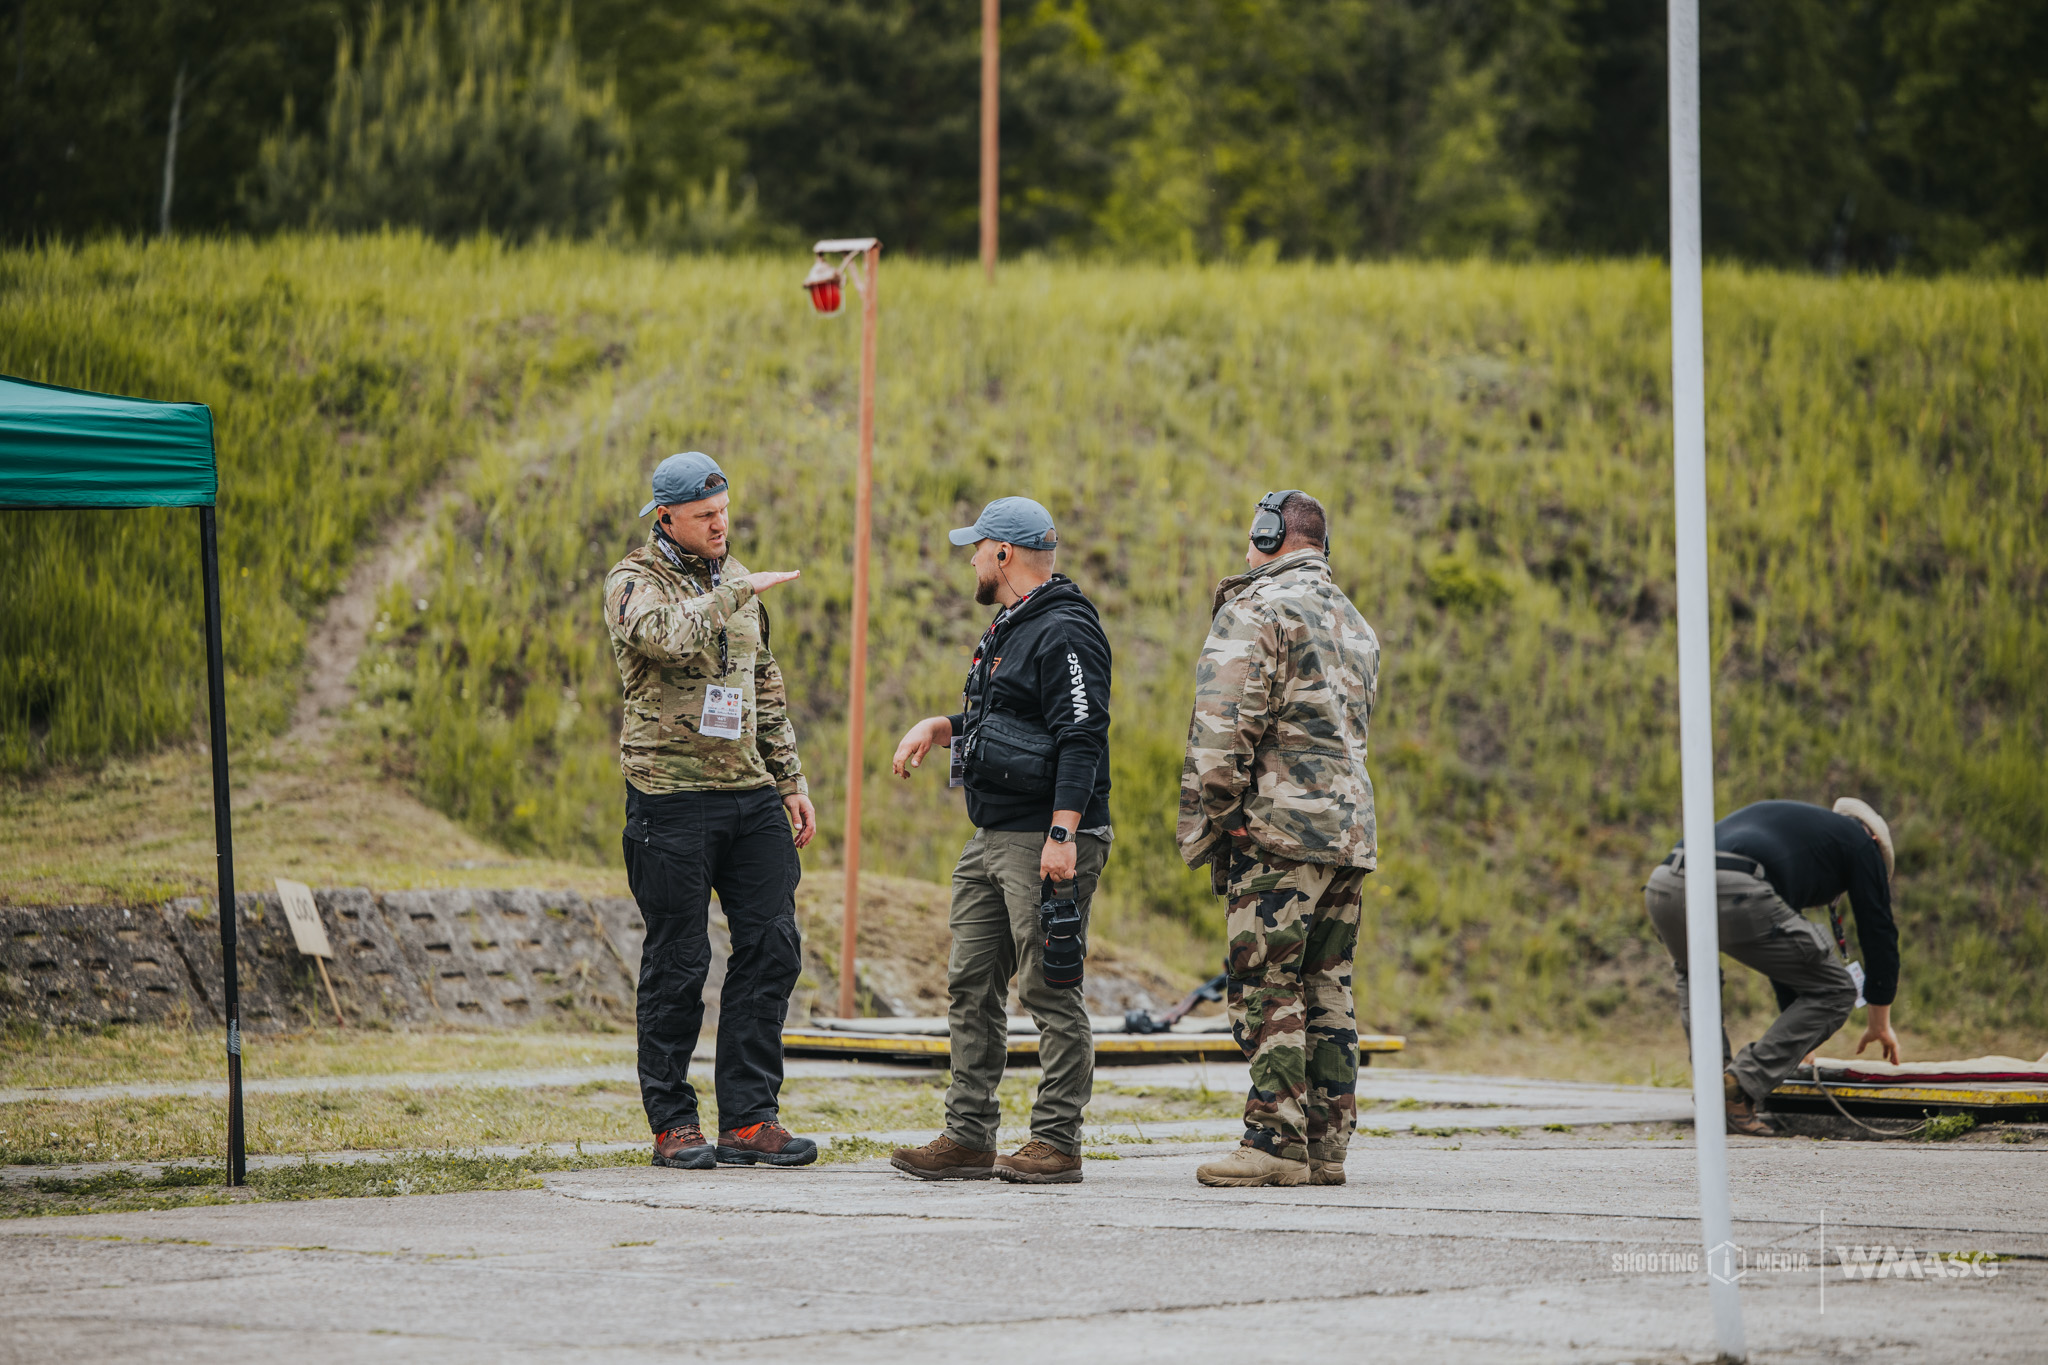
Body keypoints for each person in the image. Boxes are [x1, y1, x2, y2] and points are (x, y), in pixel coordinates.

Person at [886, 497, 1114, 1185]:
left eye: (977, 548)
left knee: (1049, 986)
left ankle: (1057, 1140)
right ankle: (968, 1135)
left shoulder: (1067, 629)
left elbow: (1081, 736)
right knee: (970, 984)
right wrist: (944, 725)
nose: (973, 559)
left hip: (1043, 837)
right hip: (992, 834)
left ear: (1005, 555)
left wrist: (1061, 834)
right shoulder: (1013, 624)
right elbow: (1011, 716)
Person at [603, 451, 820, 1170]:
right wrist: (736, 594)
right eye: (704, 515)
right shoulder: (633, 582)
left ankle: (751, 1118)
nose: (721, 523)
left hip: (748, 792)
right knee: (680, 959)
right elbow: (665, 635)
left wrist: (790, 779)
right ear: (665, 517)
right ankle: (673, 1122)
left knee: (772, 945)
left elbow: (764, 681)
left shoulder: (735, 576)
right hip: (670, 799)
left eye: (724, 509)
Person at [1179, 491, 1381, 1189]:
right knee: (1326, 983)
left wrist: (1224, 809)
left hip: (1278, 827)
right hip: (1347, 833)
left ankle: (1272, 1138)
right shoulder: (1354, 621)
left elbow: (1222, 727)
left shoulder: (1258, 608)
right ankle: (1325, 1146)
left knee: (1267, 981)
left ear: (1271, 534)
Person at [1644, 797, 1900, 1136]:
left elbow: (1787, 965)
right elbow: (1877, 930)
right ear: (1875, 841)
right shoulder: (1861, 843)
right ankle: (1737, 1087)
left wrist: (1798, 1043)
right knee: (1838, 990)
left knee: (1696, 976)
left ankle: (1715, 1089)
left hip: (1665, 884)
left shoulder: (1799, 832)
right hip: (1733, 887)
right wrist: (1879, 1022)